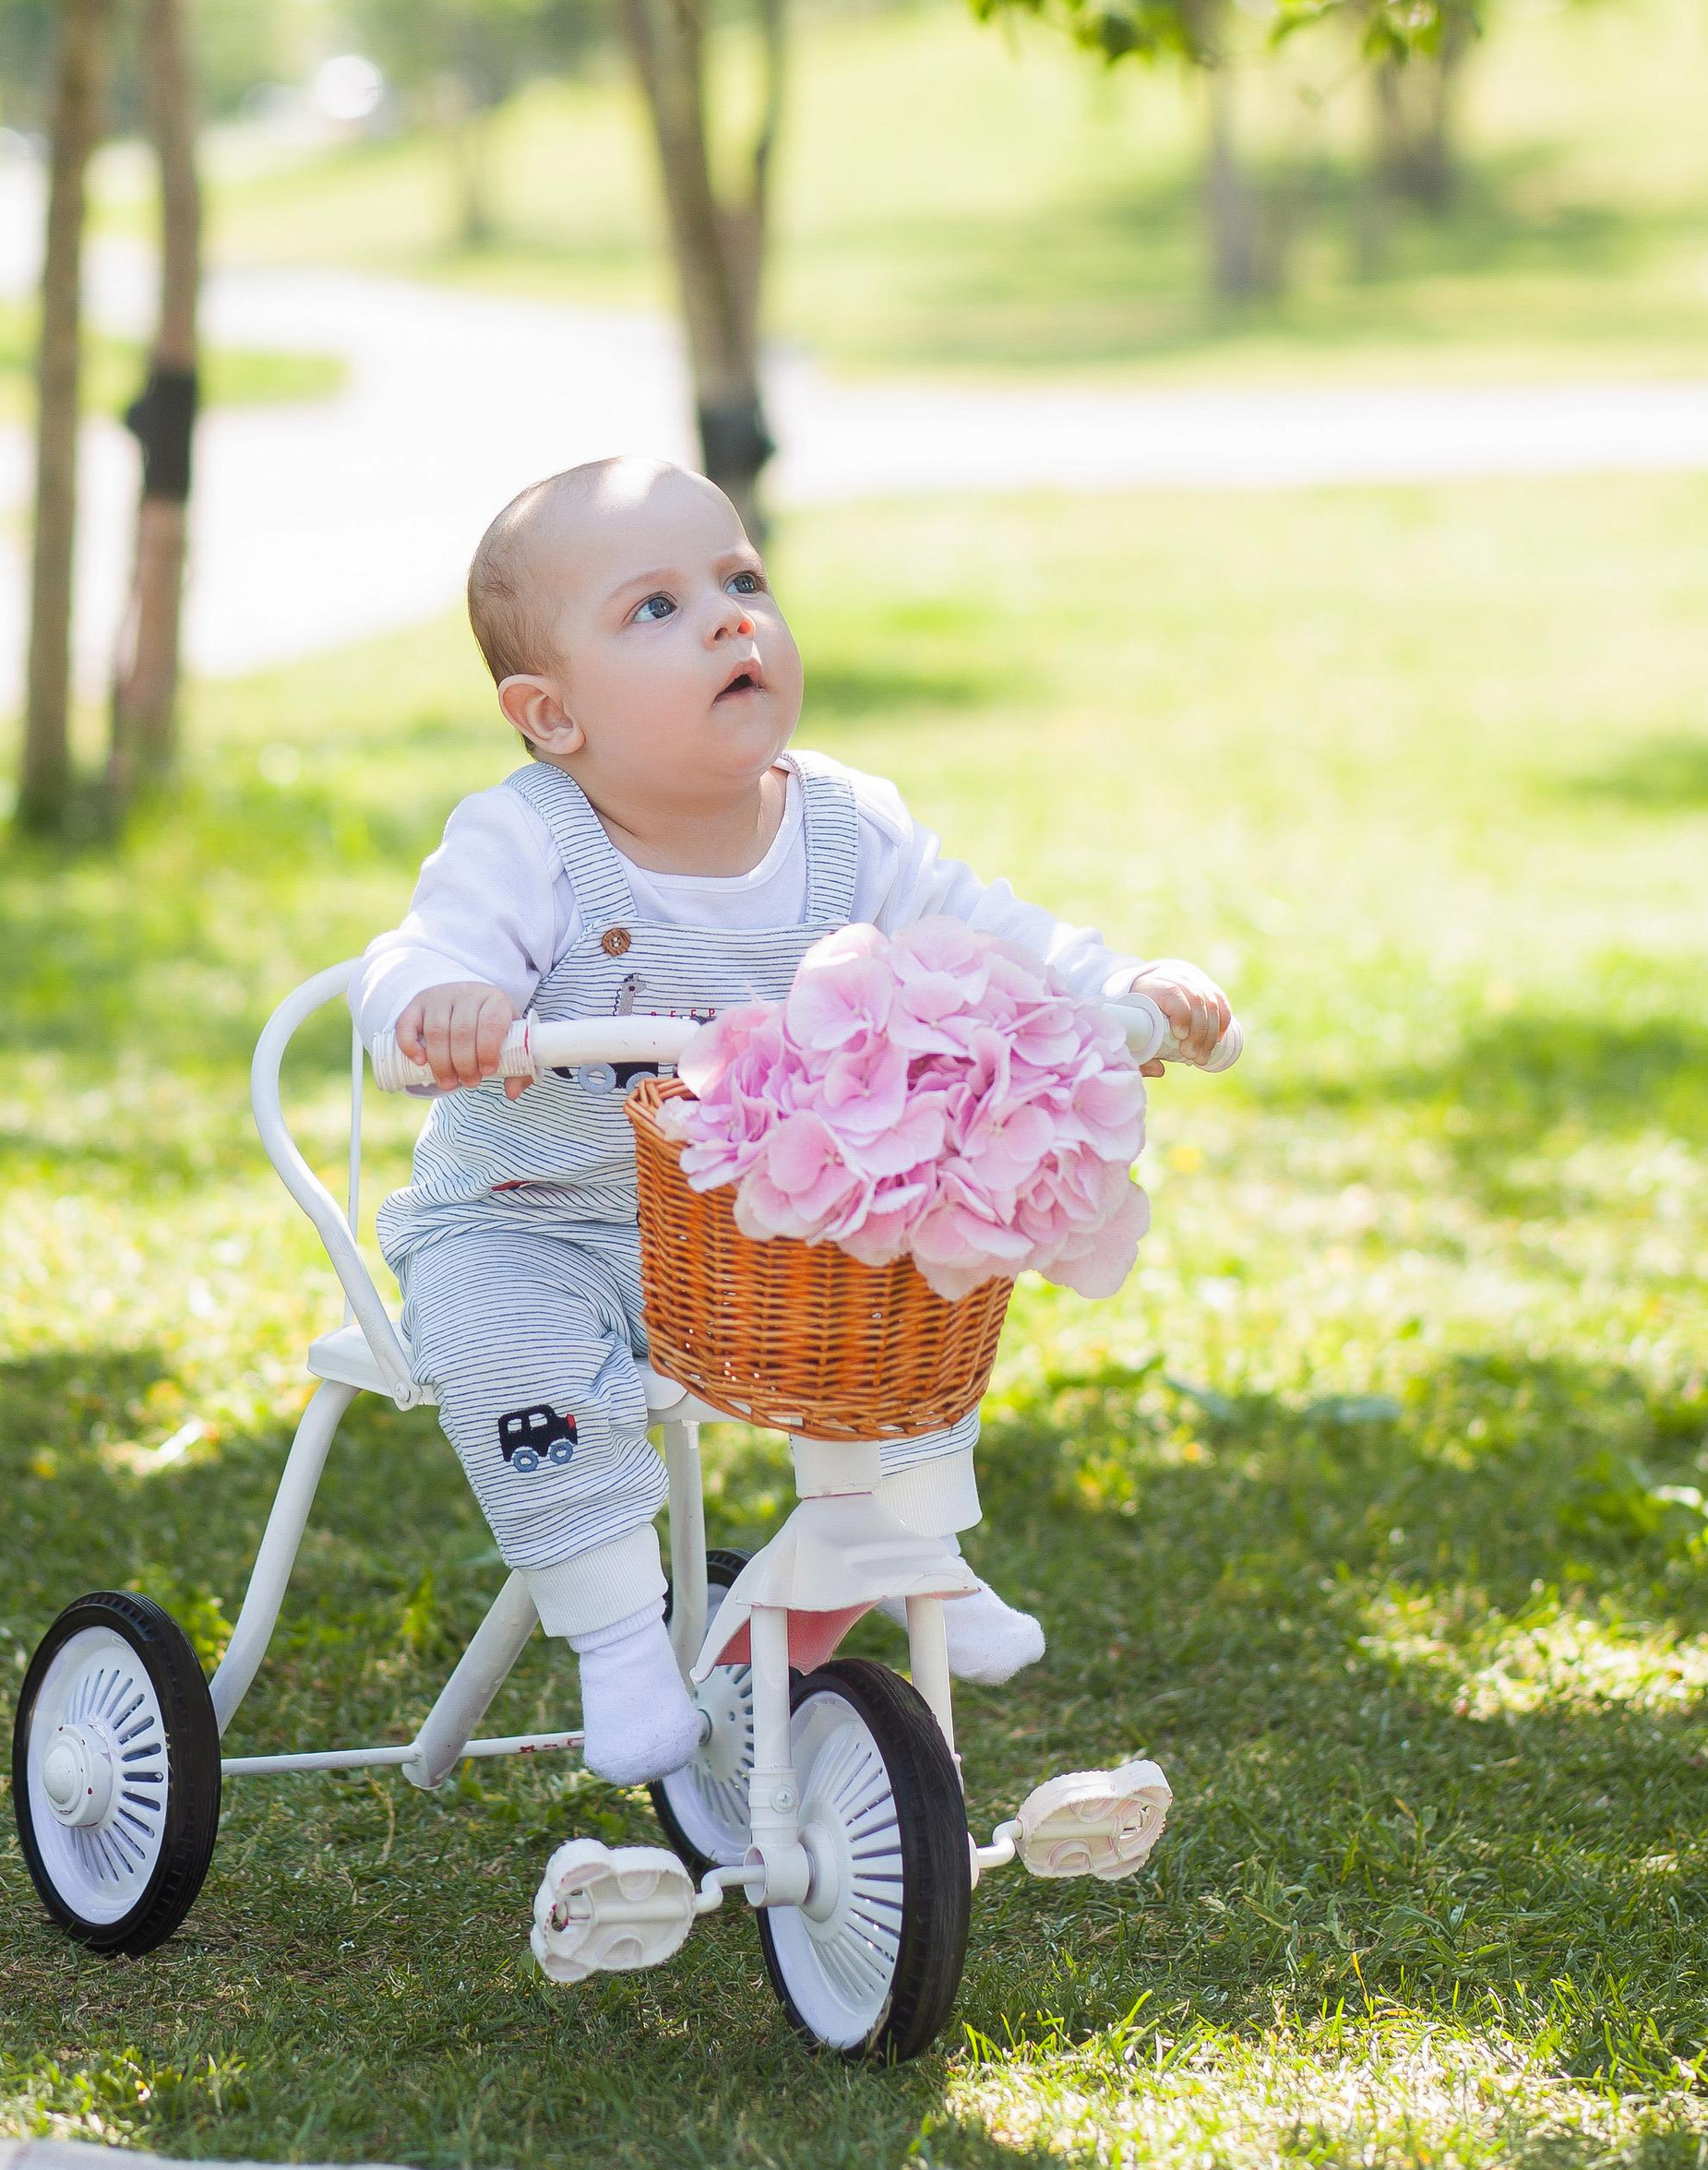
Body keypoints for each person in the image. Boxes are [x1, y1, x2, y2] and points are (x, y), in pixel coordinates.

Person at [352, 456, 1233, 1785]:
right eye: (655, 608)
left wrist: (1120, 990)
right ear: (550, 715)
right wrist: (443, 1009)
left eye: (742, 580)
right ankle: (620, 1645)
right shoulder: (528, 838)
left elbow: (990, 927)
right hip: (541, 1220)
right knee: (504, 1347)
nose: (725, 618)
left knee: (913, 1268)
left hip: (751, 1226)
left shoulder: (844, 825)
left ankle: (908, 1537)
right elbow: (415, 957)